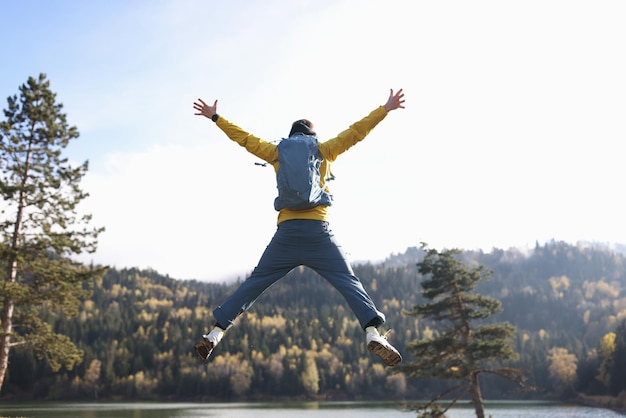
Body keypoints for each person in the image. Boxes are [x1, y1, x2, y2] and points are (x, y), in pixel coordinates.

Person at [192, 89, 405, 367]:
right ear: (312, 136)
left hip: (287, 234)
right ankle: (372, 333)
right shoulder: (323, 150)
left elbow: (243, 138)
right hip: (319, 232)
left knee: (255, 284)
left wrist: (216, 117)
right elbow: (356, 132)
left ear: (291, 136)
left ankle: (216, 333)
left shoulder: (276, 152)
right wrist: (385, 109)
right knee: (349, 283)